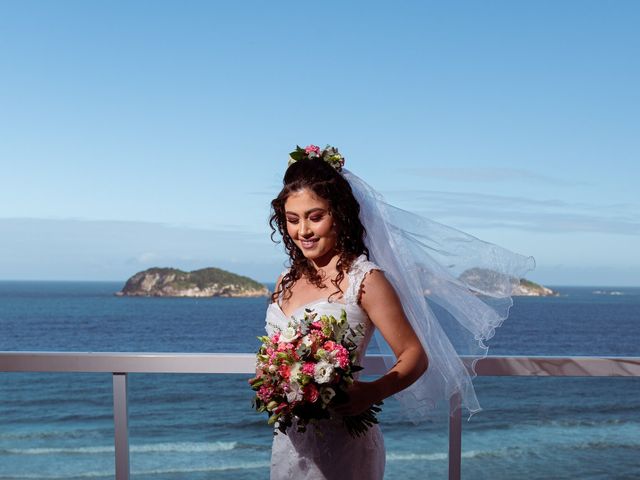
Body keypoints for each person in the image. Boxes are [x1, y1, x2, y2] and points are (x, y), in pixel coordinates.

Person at [264, 145, 534, 479]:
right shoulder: (284, 281)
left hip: (343, 442)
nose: (303, 230)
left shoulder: (365, 280)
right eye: (293, 220)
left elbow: (414, 355)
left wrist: (372, 392)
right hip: (290, 440)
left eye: (315, 217)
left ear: (340, 215)